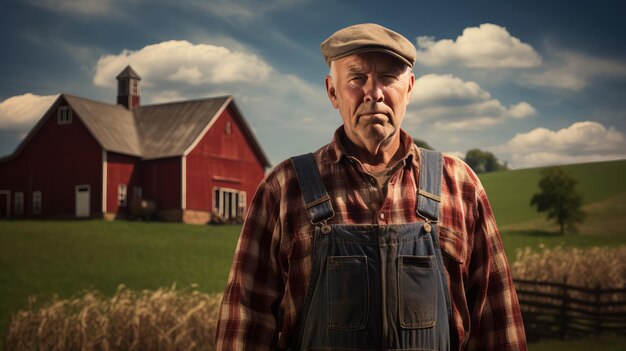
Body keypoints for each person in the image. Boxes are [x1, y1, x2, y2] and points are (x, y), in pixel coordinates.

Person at [216, 23, 527, 351]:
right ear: (332, 92)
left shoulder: (460, 186)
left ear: (409, 88)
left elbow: (498, 323)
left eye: (388, 78)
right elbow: (245, 321)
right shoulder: (283, 189)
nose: (374, 93)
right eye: (357, 78)